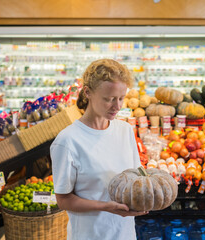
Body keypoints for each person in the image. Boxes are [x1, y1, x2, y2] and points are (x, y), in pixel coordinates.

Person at [50, 59, 148, 240]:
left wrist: (147, 192)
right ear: (87, 92)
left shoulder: (124, 130)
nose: (117, 106)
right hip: (90, 235)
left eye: (121, 98)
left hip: (125, 234)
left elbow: (137, 175)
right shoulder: (67, 141)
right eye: (109, 99)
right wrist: (105, 206)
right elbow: (63, 200)